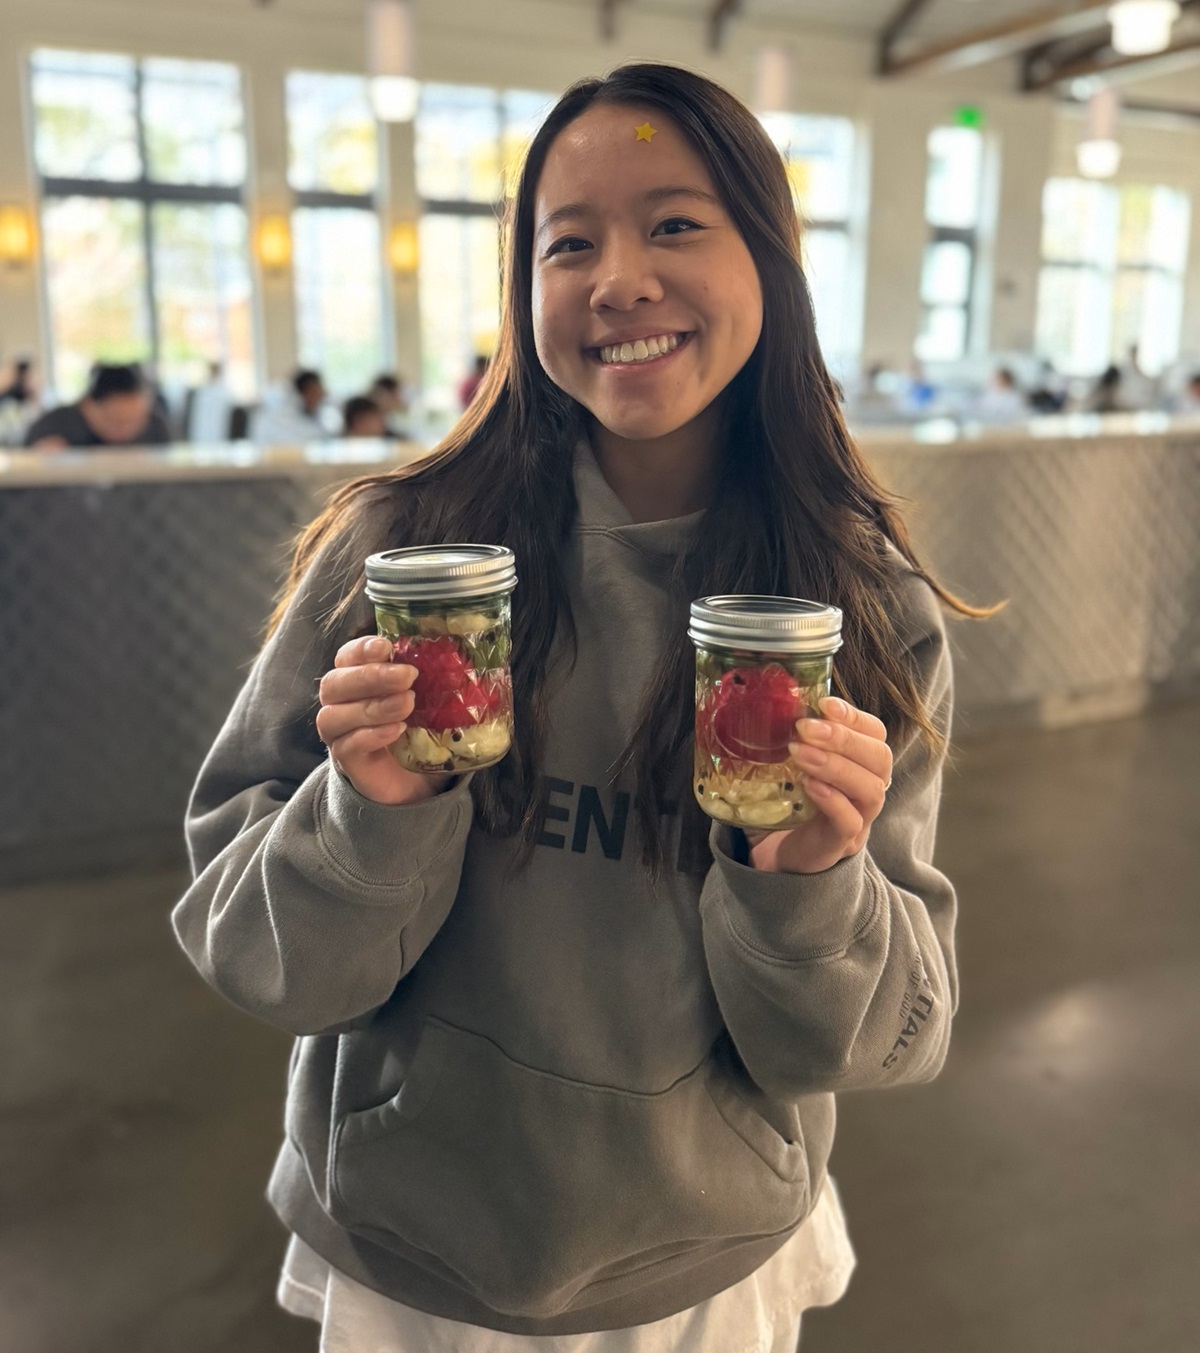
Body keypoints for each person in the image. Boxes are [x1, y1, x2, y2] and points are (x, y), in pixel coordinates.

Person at [173, 62, 984, 1352]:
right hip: (409, 1242)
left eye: (674, 223)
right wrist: (366, 819)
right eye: (569, 243)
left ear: (770, 261)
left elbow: (887, 1037)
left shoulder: (857, 608)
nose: (618, 279)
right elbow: (254, 949)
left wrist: (811, 881)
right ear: (521, 287)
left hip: (702, 1257)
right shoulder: (403, 558)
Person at [23, 362, 171, 449]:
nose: (126, 432)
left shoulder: (156, 427)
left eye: (135, 422)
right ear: (87, 407)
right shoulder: (54, 427)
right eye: (116, 422)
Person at [250, 368, 330, 445]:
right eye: (315, 392)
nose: (322, 396)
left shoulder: (317, 418)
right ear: (303, 393)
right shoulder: (275, 421)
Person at [187, 360, 233, 444]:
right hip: (202, 433)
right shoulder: (203, 391)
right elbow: (197, 415)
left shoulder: (223, 392)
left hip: (218, 433)